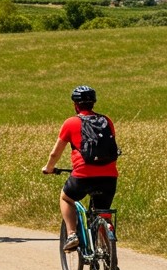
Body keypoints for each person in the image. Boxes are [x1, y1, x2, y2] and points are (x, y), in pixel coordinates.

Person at [41, 85, 118, 251]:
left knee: (66, 198)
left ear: (75, 104)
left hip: (83, 175)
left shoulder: (70, 123)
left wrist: (48, 168)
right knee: (102, 211)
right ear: (93, 103)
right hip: (109, 176)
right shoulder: (107, 121)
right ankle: (106, 250)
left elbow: (55, 153)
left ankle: (71, 234)